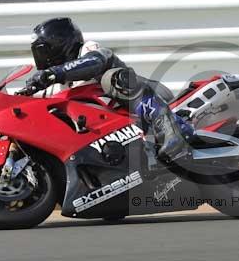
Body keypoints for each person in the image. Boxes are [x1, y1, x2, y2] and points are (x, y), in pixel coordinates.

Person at [19, 17, 187, 160]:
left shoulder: (88, 50)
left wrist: (54, 73)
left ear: (58, 45)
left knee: (113, 78)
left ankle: (168, 127)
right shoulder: (52, 87)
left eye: (42, 51)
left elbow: (95, 62)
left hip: (144, 101)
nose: (40, 58)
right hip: (108, 134)